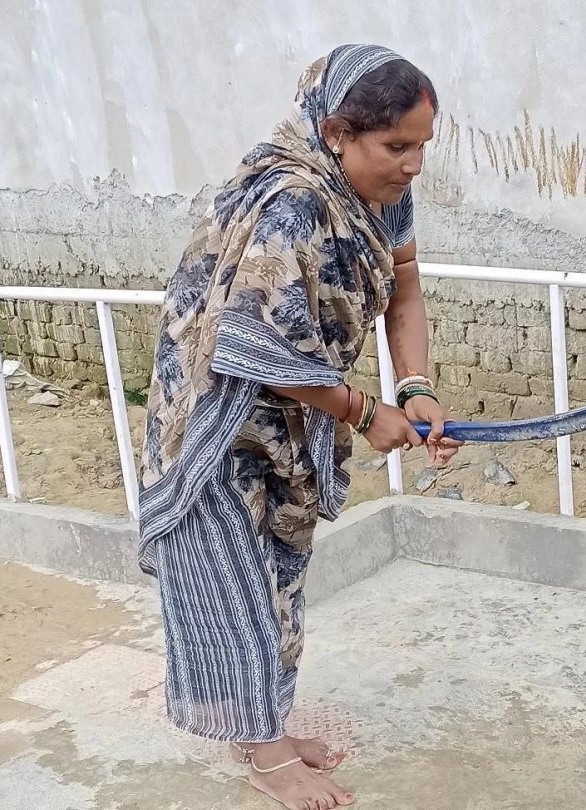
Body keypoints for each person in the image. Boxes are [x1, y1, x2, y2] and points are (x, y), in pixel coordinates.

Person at [136, 44, 460, 810]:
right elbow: (252, 343)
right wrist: (362, 412)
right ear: (339, 132)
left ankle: (266, 724)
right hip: (218, 416)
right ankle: (265, 752)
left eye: (422, 147)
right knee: (232, 579)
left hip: (289, 410)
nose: (412, 165)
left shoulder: (379, 194)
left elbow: (405, 285)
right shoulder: (294, 203)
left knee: (279, 573)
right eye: (396, 147)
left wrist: (412, 388)